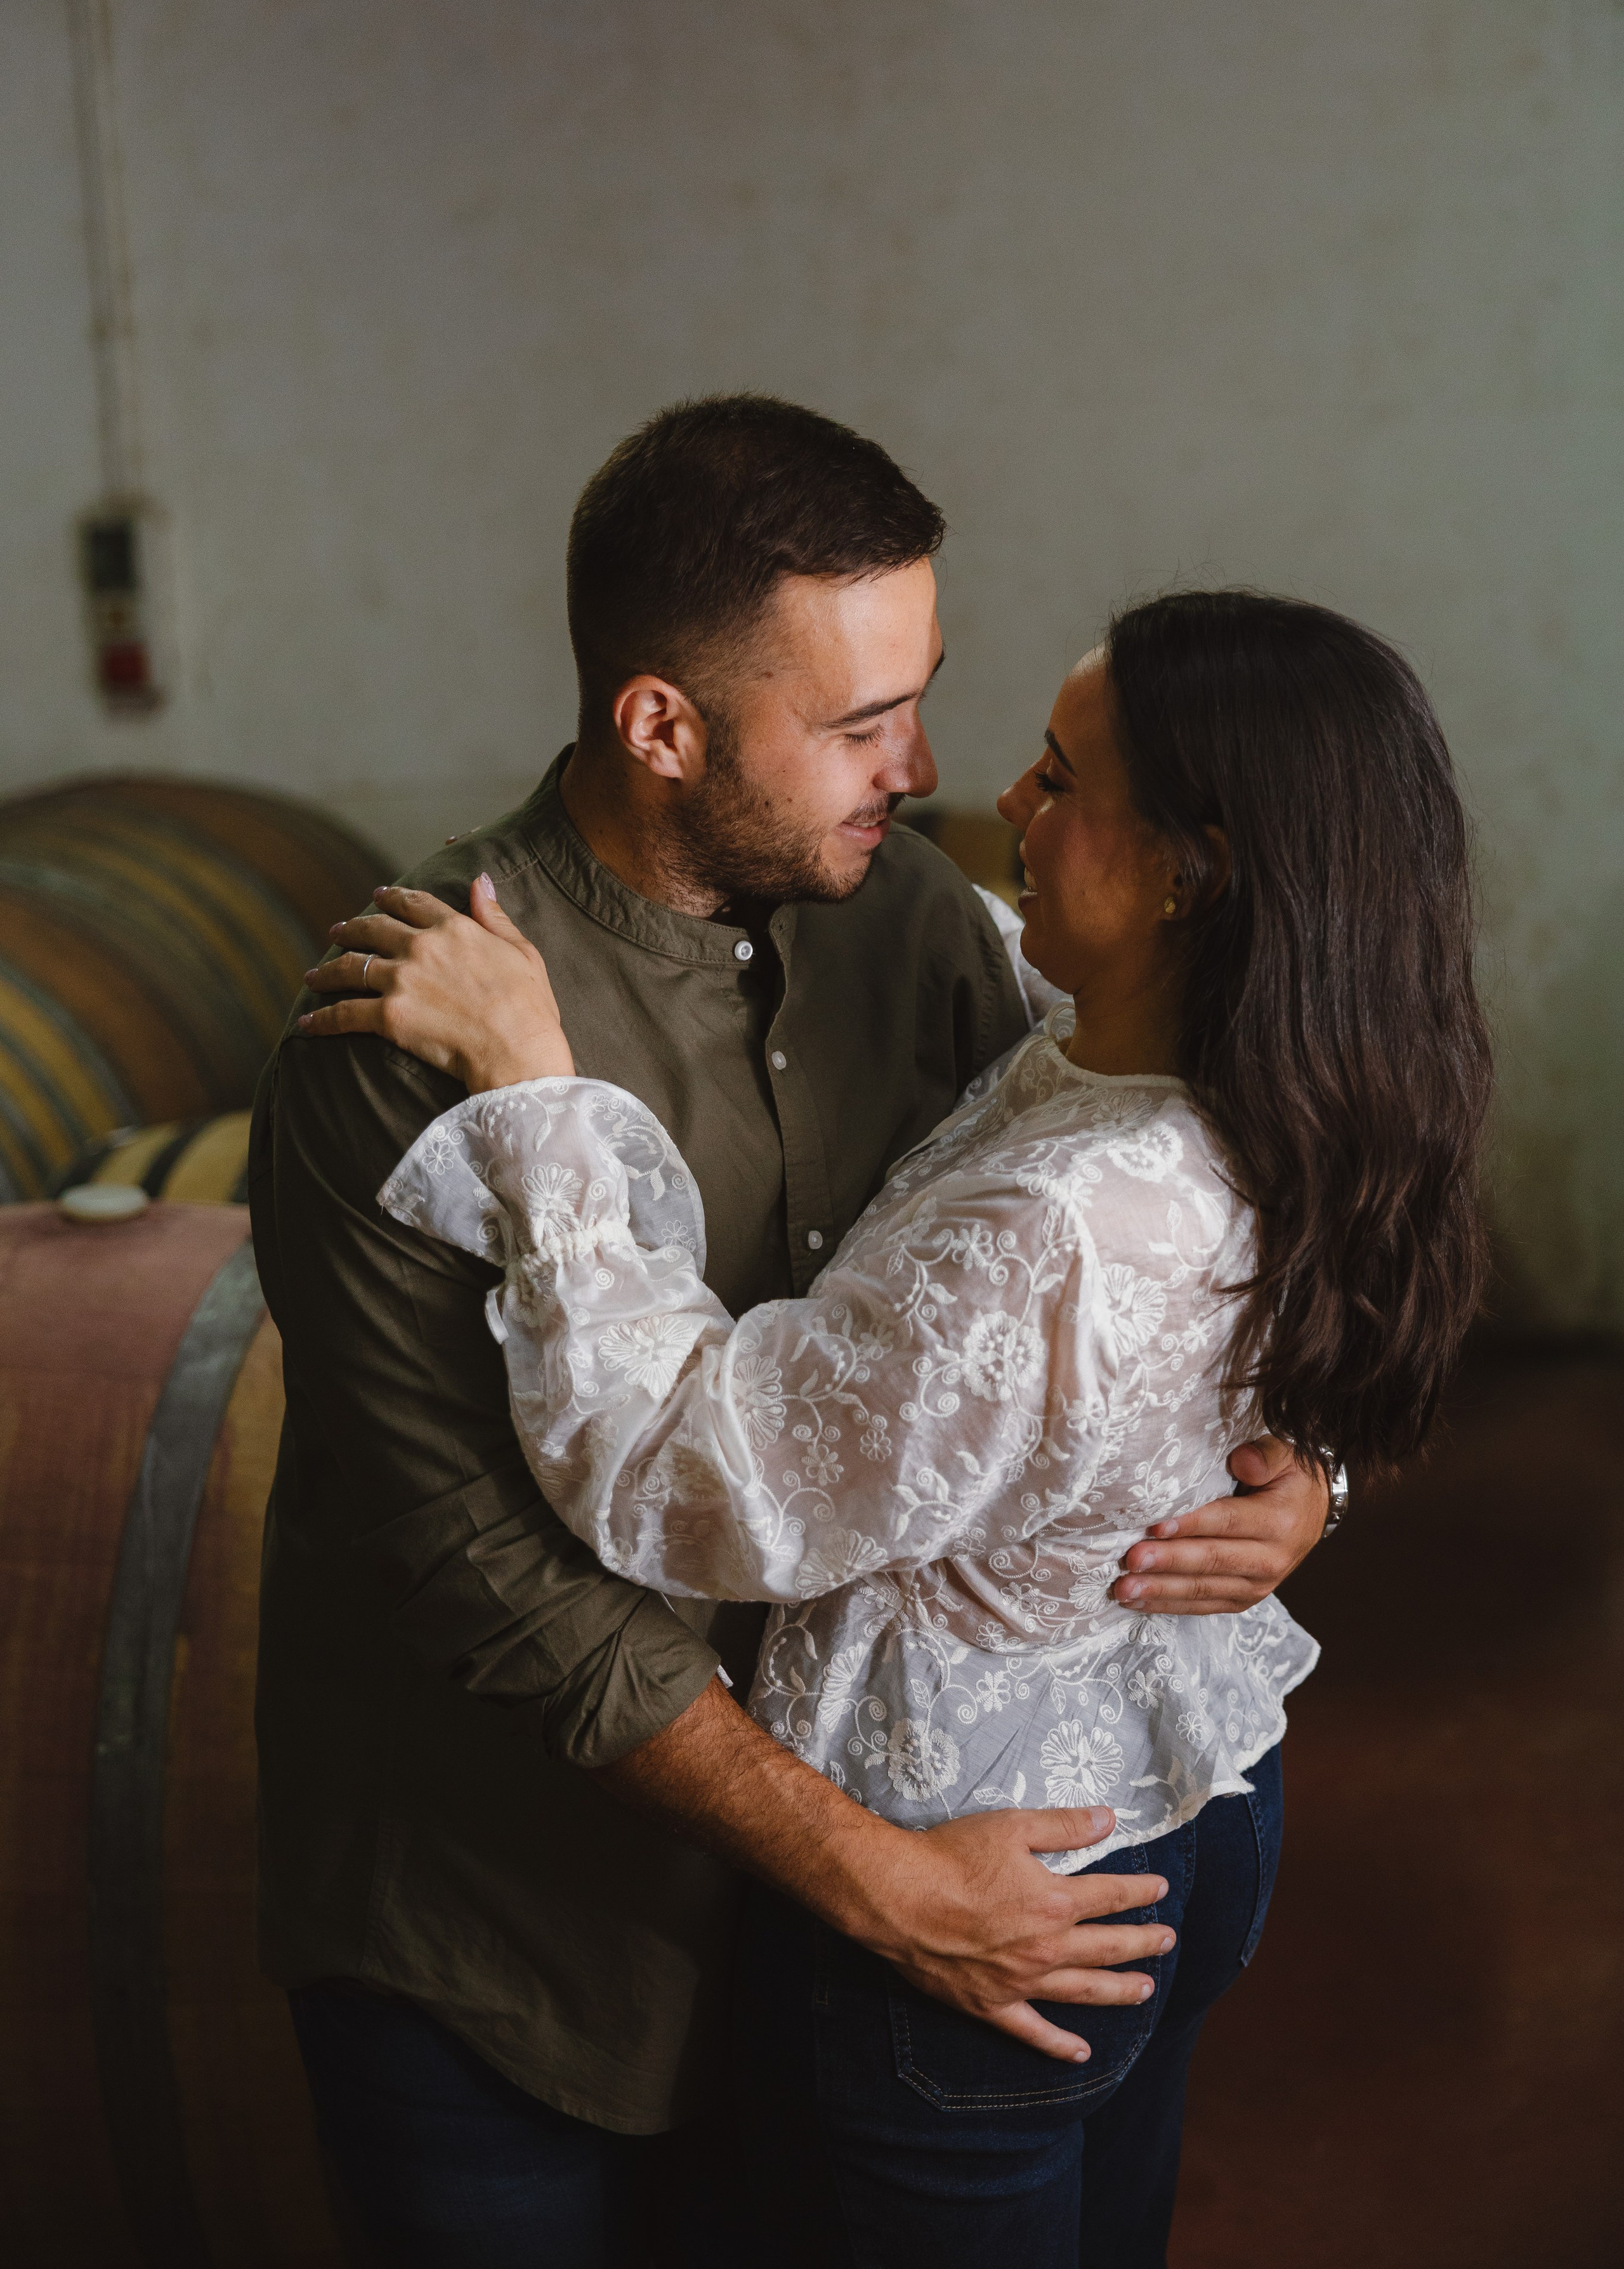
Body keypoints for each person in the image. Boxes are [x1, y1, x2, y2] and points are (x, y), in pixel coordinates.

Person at [258, 399, 1330, 2268]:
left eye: (920, 695)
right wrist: (876, 1883)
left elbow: (1148, 1224)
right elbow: (491, 1577)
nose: (923, 769)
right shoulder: (412, 1025)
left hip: (840, 1934)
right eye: (857, 725)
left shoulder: (902, 913)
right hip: (519, 1939)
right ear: (660, 725)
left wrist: (1293, 1466)